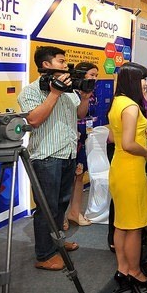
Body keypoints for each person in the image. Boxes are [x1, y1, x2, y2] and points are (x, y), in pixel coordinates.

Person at [18, 46, 91, 271]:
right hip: (46, 157)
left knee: (60, 205)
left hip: (67, 154)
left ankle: (57, 241)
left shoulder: (69, 90)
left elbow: (80, 114)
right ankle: (44, 254)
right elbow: (34, 120)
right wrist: (54, 93)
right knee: (46, 207)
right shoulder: (30, 91)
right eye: (61, 61)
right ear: (46, 64)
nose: (65, 65)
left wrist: (85, 97)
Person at [108, 62, 147, 288]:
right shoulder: (131, 107)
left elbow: (114, 138)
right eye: (143, 80)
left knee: (121, 223)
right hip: (131, 169)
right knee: (134, 226)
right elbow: (129, 143)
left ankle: (122, 268)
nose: (145, 84)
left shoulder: (117, 103)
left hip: (119, 167)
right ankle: (134, 270)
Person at [64, 61, 100, 230]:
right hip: (69, 140)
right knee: (65, 180)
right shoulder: (69, 92)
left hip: (84, 140)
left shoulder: (91, 93)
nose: (94, 79)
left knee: (79, 176)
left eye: (96, 76)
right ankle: (60, 217)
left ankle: (75, 212)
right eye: (92, 75)